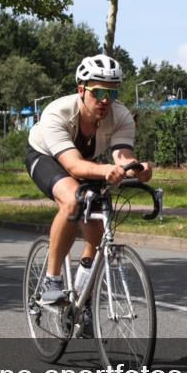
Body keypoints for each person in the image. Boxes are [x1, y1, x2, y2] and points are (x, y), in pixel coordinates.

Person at [25, 54, 153, 301]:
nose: (105, 100)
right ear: (81, 90)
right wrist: (105, 170)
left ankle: (82, 297)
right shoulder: (57, 113)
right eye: (98, 92)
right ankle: (51, 280)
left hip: (85, 161)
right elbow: (73, 166)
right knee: (72, 200)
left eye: (112, 93)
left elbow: (123, 156)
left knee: (96, 233)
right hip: (45, 156)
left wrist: (137, 168)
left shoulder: (121, 116)